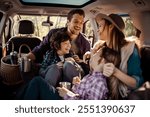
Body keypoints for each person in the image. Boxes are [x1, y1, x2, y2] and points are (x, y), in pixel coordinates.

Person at [20, 45, 120, 100]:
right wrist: (78, 84)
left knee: (37, 81)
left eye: (96, 54)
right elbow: (84, 95)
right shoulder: (92, 76)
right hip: (68, 97)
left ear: (101, 60)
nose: (92, 55)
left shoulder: (99, 83)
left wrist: (67, 94)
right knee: (35, 81)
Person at [84, 13, 144, 99]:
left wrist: (115, 72)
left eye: (100, 26)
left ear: (111, 27)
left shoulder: (130, 50)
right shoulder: (101, 47)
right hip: (97, 89)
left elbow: (137, 84)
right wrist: (90, 54)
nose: (97, 30)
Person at [27, 9, 90, 76]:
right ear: (68, 22)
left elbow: (86, 66)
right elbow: (40, 49)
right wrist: (26, 58)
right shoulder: (54, 34)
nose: (79, 25)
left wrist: (79, 61)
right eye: (76, 22)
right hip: (53, 70)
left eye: (81, 23)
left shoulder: (85, 43)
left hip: (72, 74)